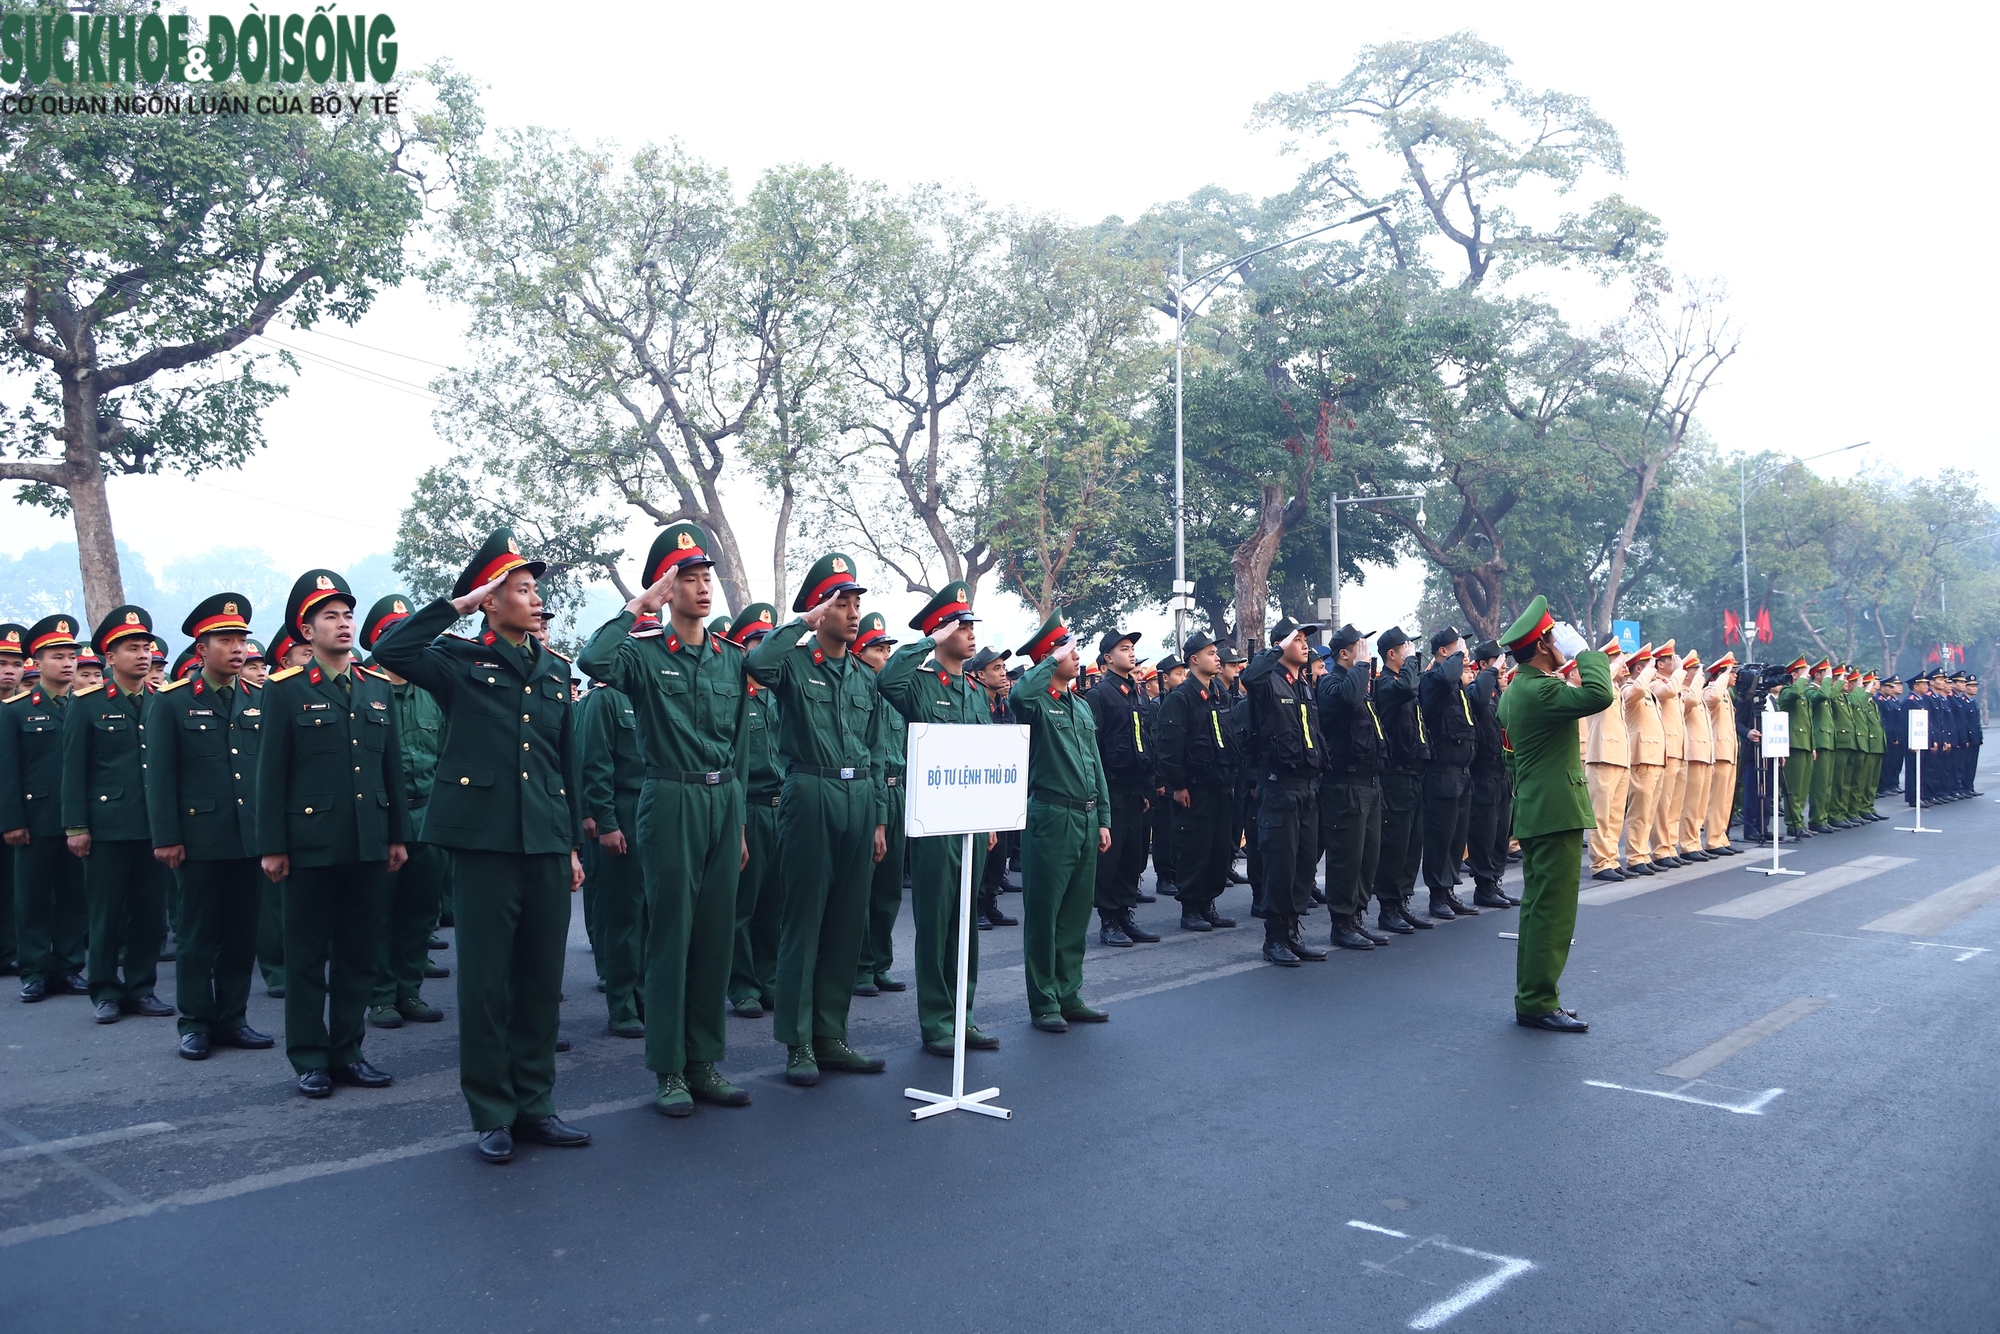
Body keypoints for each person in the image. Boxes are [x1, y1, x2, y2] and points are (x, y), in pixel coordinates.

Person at [374, 532, 590, 1160]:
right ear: (493, 602)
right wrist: (460, 604)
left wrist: (573, 845)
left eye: (533, 589)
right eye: (520, 589)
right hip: (486, 842)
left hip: (546, 840)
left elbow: (562, 764)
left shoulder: (554, 670)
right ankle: (492, 1112)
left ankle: (536, 1105)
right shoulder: (457, 661)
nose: (534, 599)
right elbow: (389, 646)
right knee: (487, 983)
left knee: (540, 979)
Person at [254, 570, 409, 1096]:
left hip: (367, 842)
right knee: (305, 957)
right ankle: (309, 1058)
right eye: (330, 617)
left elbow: (391, 768)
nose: (343, 625)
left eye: (347, 616)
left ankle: (348, 1051)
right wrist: (272, 845)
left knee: (358, 954)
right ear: (306, 629)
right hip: (308, 846)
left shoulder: (375, 688)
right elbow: (269, 774)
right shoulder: (286, 691)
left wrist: (397, 836)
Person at [744, 551, 890, 1088]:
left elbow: (873, 749)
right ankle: (798, 1040)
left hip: (857, 794)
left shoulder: (862, 674)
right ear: (818, 610)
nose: (853, 614)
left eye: (855, 604)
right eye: (841, 604)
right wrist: (799, 624)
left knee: (848, 920)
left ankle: (831, 1033)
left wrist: (877, 819)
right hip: (808, 788)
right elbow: (755, 666)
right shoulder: (793, 663)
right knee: (803, 919)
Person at [144, 593, 275, 1059]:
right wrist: (167, 837)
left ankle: (232, 1018)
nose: (238, 648)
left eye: (241, 639)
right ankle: (195, 1021)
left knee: (242, 933)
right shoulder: (174, 701)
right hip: (198, 838)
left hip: (250, 836)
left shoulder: (261, 697)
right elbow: (159, 776)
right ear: (202, 649)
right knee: (198, 935)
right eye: (226, 639)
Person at [874, 582, 1001, 1055]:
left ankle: (963, 1015)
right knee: (936, 922)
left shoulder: (974, 690)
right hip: (935, 824)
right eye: (960, 626)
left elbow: (985, 759)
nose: (969, 635)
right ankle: (937, 1021)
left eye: (970, 626)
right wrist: (929, 639)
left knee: (964, 924)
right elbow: (886, 682)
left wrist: (989, 818)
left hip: (971, 823)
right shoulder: (921, 684)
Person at [1495, 598, 1614, 1032]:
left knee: (1537, 909)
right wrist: (1586, 653)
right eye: (1555, 636)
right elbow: (1600, 694)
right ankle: (1538, 1002)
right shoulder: (1541, 689)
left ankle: (1535, 996)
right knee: (1553, 912)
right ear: (1545, 644)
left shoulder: (1515, 691)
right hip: (1555, 811)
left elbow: (1511, 762)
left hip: (1535, 807)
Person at [64, 605, 175, 1025]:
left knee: (149, 912)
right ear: (110, 657)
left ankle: (142, 988)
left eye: (146, 647)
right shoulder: (87, 703)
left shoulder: (162, 700)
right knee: (107, 913)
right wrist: (76, 826)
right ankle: (106, 990)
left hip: (154, 825)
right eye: (132, 648)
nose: (143, 655)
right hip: (108, 827)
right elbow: (73, 769)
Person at [352, 595, 452, 1033]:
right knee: (378, 912)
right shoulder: (363, 692)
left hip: (427, 817)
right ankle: (380, 996)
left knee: (419, 911)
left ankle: (408, 990)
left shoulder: (432, 694)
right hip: (380, 820)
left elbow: (448, 753)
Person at [1010, 613, 1114, 1028]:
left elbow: (1095, 765)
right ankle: (1045, 1002)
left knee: (1075, 913)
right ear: (1049, 659)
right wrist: (1047, 662)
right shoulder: (1035, 702)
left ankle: (1069, 992)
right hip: (1051, 816)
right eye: (1068, 651)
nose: (1077, 656)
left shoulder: (1080, 706)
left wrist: (1104, 816)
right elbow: (1018, 695)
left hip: (1086, 817)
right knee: (1044, 913)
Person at [2, 615, 90, 1003]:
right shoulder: (16, 710)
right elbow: (8, 771)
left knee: (74, 895)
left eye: (71, 655)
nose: (68, 663)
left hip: (79, 819)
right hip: (34, 819)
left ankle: (69, 966)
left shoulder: (87, 705)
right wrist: (12, 821)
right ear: (37, 662)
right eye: (58, 656)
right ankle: (35, 970)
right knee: (33, 897)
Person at [575, 614, 650, 1040]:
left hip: (662, 807)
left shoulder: (656, 690)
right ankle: (623, 1005)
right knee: (625, 915)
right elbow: (595, 765)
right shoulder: (605, 699)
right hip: (626, 809)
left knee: (658, 915)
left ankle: (650, 998)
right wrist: (604, 820)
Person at [1241, 618, 1328, 965]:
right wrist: (1276, 646)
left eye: (1307, 639)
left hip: (1307, 787)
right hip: (1279, 787)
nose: (1306, 644)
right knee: (1280, 864)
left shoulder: (1303, 685)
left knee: (1304, 864)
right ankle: (1274, 937)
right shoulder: (1268, 681)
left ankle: (1291, 931)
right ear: (1280, 645)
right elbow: (1249, 677)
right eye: (1298, 638)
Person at [1154, 631, 1241, 935]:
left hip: (1221, 785)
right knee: (1194, 847)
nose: (1217, 658)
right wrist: (1178, 785)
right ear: (1194, 660)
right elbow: (1169, 746)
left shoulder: (1221, 694)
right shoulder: (1181, 697)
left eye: (1216, 653)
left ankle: (1208, 903)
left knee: (1218, 848)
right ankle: (1191, 907)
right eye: (1211, 653)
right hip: (1195, 787)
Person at [724, 603, 788, 1017]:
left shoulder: (781, 697)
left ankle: (768, 979)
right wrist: (739, 825)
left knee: (775, 904)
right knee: (741, 906)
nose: (765, 649)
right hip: (748, 806)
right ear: (743, 648)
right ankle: (742, 984)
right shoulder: (732, 698)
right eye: (757, 642)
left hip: (783, 808)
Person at [1315, 625, 1391, 947]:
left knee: (1367, 857)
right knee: (1346, 857)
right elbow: (1348, 700)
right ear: (1343, 653)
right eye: (1359, 647)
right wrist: (1361, 665)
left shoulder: (1360, 684)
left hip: (1369, 783)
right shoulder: (1332, 684)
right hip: (1344, 784)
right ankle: (1341, 921)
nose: (1365, 651)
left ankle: (1356, 917)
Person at [1086, 629, 1157, 947]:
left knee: (1132, 854)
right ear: (1107, 659)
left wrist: (1147, 787)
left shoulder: (1137, 693)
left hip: (1135, 787)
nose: (1131, 653)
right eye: (1123, 648)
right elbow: (1094, 746)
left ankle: (1126, 914)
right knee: (1110, 858)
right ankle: (1109, 919)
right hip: (1111, 787)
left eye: (1132, 649)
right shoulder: (1099, 695)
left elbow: (1145, 741)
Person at [851, 611, 910, 997]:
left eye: (888, 647)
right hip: (866, 791)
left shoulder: (895, 696)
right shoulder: (855, 693)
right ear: (859, 652)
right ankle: (858, 965)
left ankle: (881, 963)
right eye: (878, 648)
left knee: (888, 888)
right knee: (860, 886)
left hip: (896, 790)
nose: (886, 654)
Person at [1418, 627, 1480, 917]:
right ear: (1444, 651)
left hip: (1462, 772)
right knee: (1440, 836)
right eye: (1458, 648)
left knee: (1457, 835)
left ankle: (1449, 889)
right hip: (1441, 772)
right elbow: (1445, 674)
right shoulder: (1434, 680)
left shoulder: (1456, 687)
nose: (1465, 653)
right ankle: (1437, 895)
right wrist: (1457, 655)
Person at [1370, 627, 1429, 921]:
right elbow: (1407, 688)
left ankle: (1402, 900)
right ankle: (1388, 905)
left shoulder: (1405, 680)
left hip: (1414, 772)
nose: (1409, 652)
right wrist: (1410, 664)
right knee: (1394, 841)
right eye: (1404, 648)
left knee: (1411, 842)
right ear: (1391, 654)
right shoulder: (1388, 685)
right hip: (1395, 774)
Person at [1464, 642, 1518, 906]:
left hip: (1502, 770)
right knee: (1484, 832)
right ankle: (1483, 885)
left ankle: (1495, 881)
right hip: (1483, 772)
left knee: (1500, 832)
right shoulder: (1477, 689)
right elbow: (1477, 698)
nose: (1503, 666)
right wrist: (1492, 674)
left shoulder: (1499, 691)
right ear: (1483, 665)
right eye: (1496, 661)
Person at [1701, 654, 1742, 853]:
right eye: (1731, 672)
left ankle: (1721, 836)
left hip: (1729, 752)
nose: (1735, 675)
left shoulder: (1726, 695)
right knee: (1716, 800)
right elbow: (1712, 697)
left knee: (1726, 800)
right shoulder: (1712, 691)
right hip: (1718, 752)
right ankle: (1712, 840)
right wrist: (1723, 676)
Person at [0, 623, 22, 979]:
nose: (9, 671)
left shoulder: (21, 709)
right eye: (2, 663)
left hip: (14, 811)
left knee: (9, 886)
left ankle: (7, 952)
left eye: (16, 664)